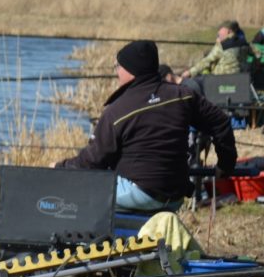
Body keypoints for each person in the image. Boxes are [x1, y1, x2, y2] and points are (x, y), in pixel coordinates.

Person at [55, 40, 237, 212]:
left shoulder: (117, 111)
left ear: (131, 70)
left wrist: (60, 167)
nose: (116, 71)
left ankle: (83, 243)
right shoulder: (183, 95)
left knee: (80, 189)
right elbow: (220, 122)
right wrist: (225, 166)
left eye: (118, 66)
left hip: (140, 194)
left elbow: (92, 161)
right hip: (175, 196)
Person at [180, 21, 253, 80]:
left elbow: (206, 61)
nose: (219, 34)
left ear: (229, 31)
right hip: (240, 79)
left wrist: (189, 72)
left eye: (220, 33)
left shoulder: (222, 46)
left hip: (219, 80)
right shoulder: (245, 44)